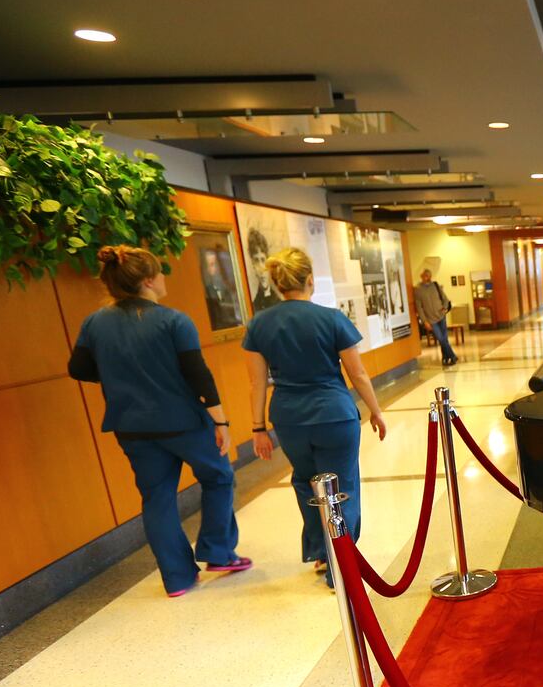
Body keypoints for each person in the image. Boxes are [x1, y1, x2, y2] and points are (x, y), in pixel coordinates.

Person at [68, 245, 251, 598]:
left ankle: (178, 578)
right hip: (184, 421)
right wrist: (221, 422)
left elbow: (78, 368)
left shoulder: (95, 323)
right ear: (149, 280)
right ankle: (218, 551)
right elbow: (198, 374)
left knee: (157, 498)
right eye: (161, 272)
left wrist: (118, 374)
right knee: (218, 477)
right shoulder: (173, 321)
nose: (164, 278)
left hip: (131, 426)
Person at [243, 247, 387, 586]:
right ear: (310, 279)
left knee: (306, 481)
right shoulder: (332, 319)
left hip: (289, 419)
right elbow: (357, 373)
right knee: (341, 486)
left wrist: (258, 428)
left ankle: (323, 551)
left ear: (278, 283)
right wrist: (376, 411)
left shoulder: (259, 324)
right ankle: (342, 567)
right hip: (334, 414)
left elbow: (257, 382)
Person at [414, 268, 458, 366]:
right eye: (425, 276)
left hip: (441, 317)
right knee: (441, 339)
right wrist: (425, 321)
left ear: (430, 276)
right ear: (421, 276)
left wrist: (445, 307)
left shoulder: (435, 285)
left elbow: (445, 299)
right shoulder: (418, 290)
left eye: (428, 276)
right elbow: (419, 308)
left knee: (444, 339)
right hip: (431, 320)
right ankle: (452, 355)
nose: (427, 278)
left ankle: (445, 358)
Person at [248, 228, 281, 313]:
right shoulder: (253, 307)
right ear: (253, 265)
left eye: (263, 260)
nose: (261, 268)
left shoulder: (280, 303)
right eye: (256, 261)